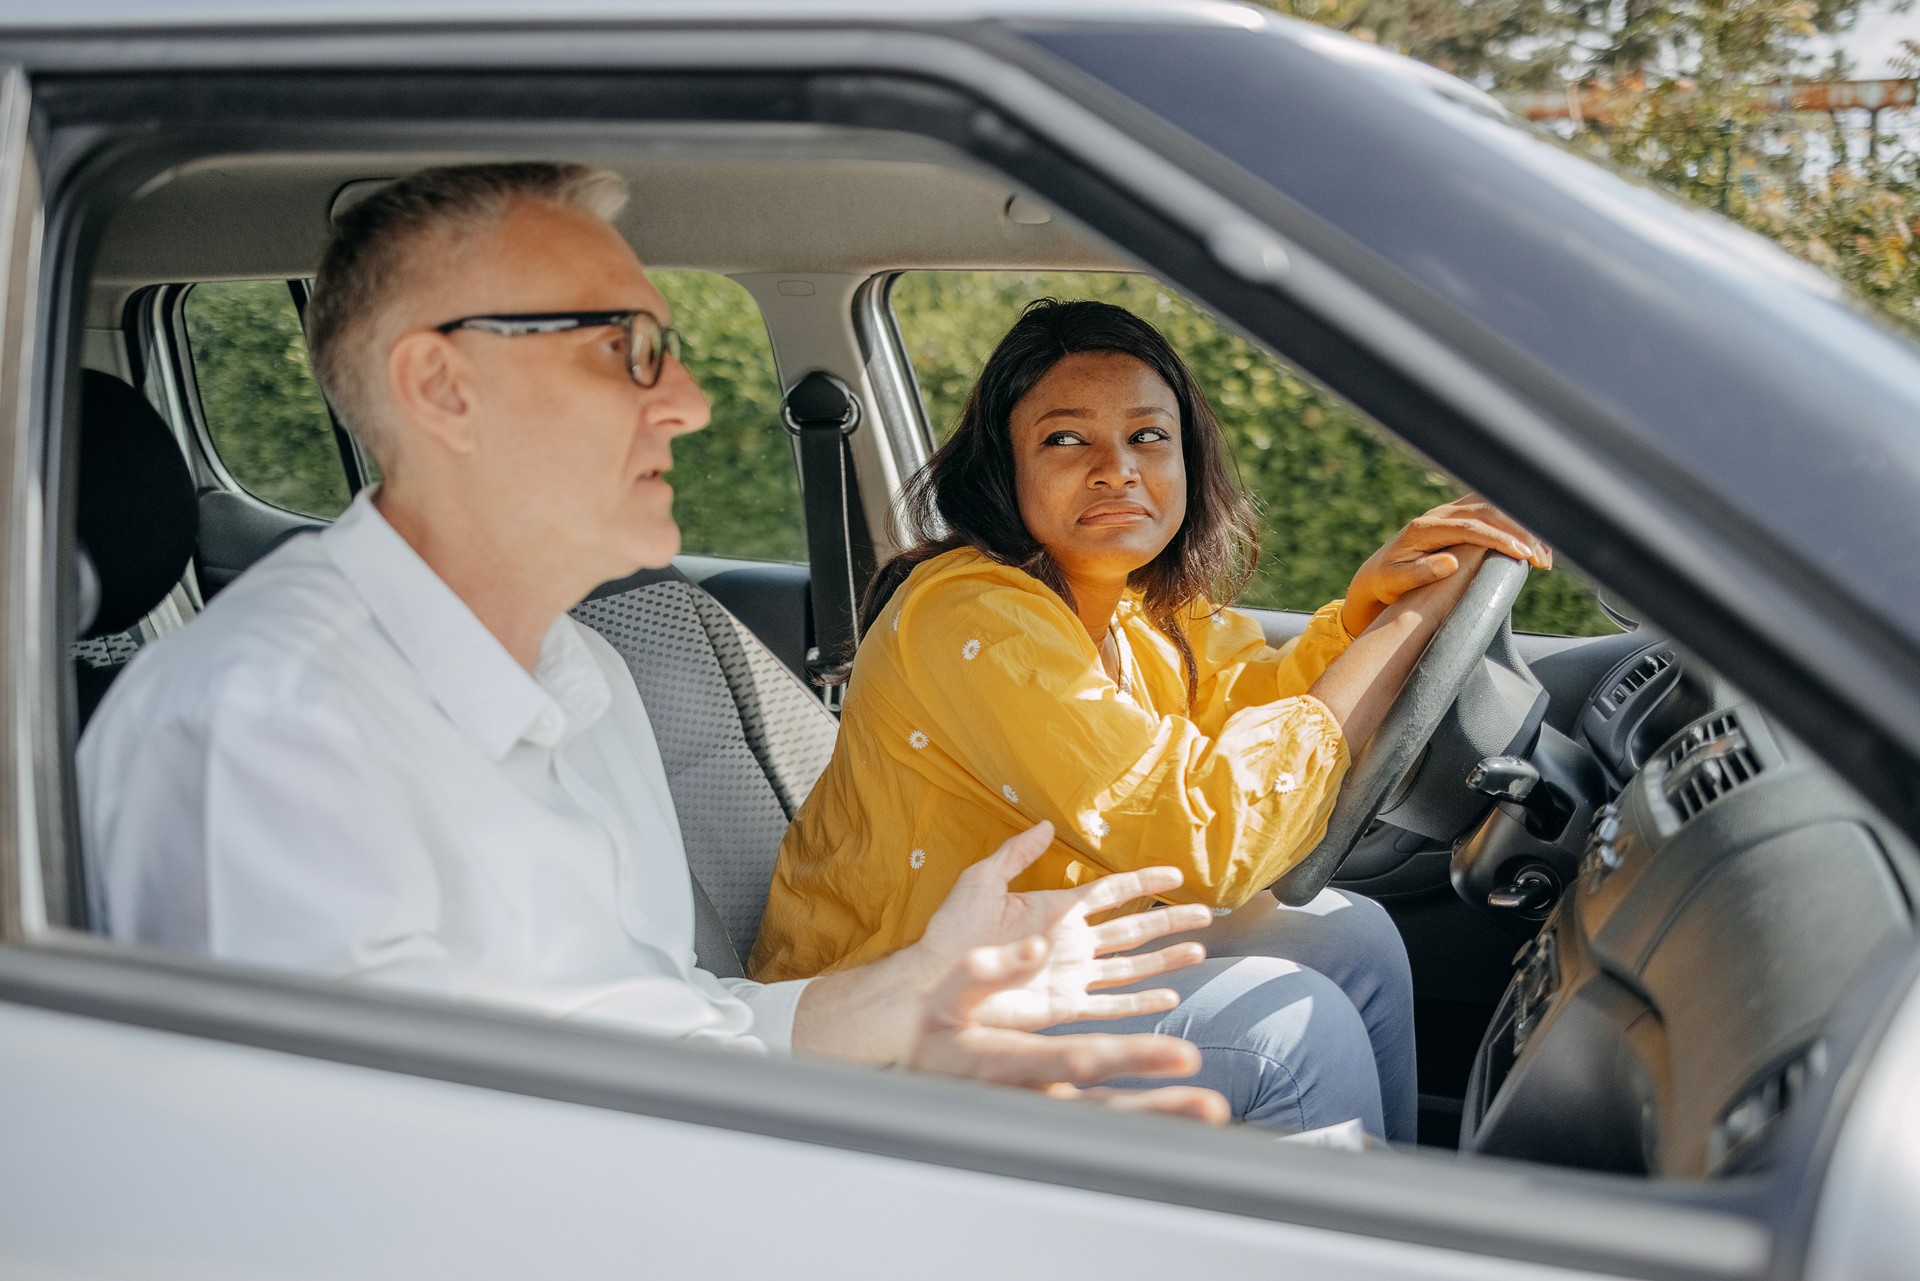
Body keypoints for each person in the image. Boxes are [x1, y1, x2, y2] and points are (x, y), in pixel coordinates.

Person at [77, 164, 1233, 1121]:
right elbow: (354, 1187)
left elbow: (674, 1030)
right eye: (623, 347)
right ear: (442, 387)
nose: (685, 401)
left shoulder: (588, 674)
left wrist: (916, 999)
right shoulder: (261, 724)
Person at [752, 299, 1550, 1142]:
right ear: (1002, 471)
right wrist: (1410, 625)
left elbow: (1249, 701)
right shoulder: (976, 618)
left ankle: (1387, 1199)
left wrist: (1363, 617)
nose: (1116, 469)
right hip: (886, 1013)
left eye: (1147, 436)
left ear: (1186, 458)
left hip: (1028, 950)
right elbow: (1206, 834)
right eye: (1066, 439)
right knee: (1292, 1033)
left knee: (1356, 936)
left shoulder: (1131, 606)